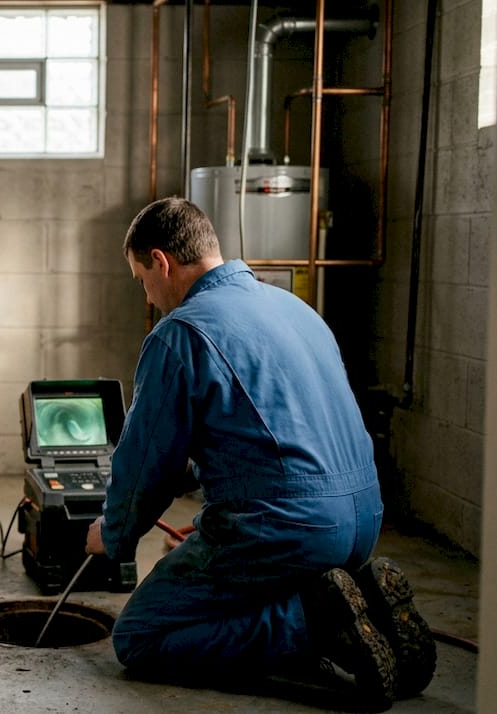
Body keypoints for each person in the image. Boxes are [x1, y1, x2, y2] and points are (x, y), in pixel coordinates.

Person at [86, 197, 435, 711]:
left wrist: (112, 534)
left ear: (160, 261)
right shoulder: (297, 310)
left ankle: (314, 622)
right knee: (229, 571)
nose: (149, 295)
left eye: (142, 280)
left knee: (141, 635)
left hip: (288, 531)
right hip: (362, 521)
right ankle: (366, 608)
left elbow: (145, 470)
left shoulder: (180, 333)